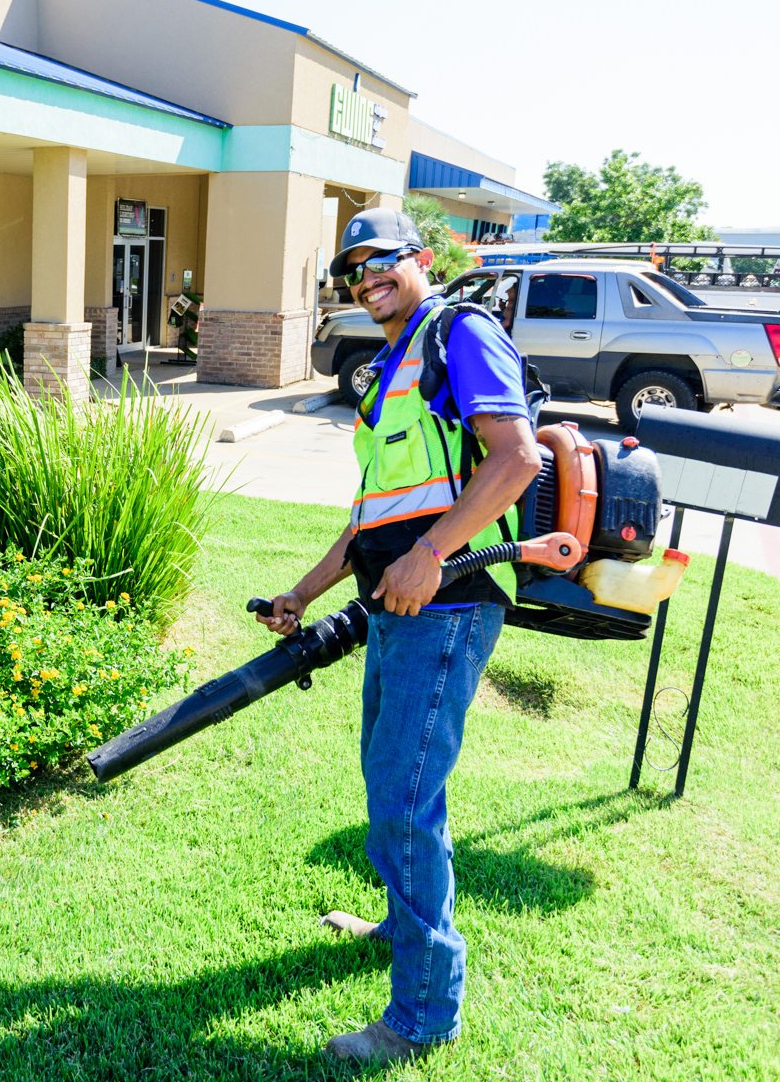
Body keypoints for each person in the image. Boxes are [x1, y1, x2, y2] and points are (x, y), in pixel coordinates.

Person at [259, 207, 541, 1067]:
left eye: (380, 260)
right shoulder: (391, 366)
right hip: (396, 602)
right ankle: (398, 920)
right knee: (397, 783)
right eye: (352, 269)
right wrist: (302, 594)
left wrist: (430, 553)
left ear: (419, 258)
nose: (365, 277)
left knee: (404, 797)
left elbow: (517, 457)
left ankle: (424, 1013)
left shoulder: (461, 332)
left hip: (447, 607)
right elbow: (370, 517)